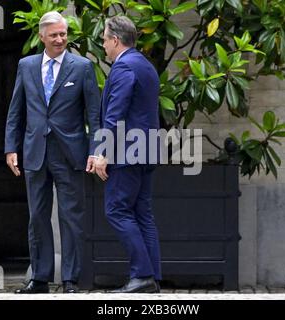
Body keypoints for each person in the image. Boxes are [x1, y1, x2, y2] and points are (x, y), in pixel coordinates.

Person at [4, 11, 100, 294]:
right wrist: (11, 147)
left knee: (71, 217)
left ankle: (71, 279)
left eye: (64, 34)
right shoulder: (26, 65)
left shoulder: (81, 67)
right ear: (42, 36)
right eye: (55, 35)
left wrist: (95, 151)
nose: (60, 39)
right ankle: (41, 278)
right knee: (37, 217)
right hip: (35, 152)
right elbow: (16, 110)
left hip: (71, 153)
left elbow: (94, 116)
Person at [90, 16, 162, 293]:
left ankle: (142, 275)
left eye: (105, 39)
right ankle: (152, 277)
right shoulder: (145, 65)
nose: (104, 45)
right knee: (142, 213)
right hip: (146, 151)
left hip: (127, 153)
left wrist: (103, 152)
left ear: (116, 40)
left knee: (117, 210)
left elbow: (115, 114)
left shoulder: (123, 68)